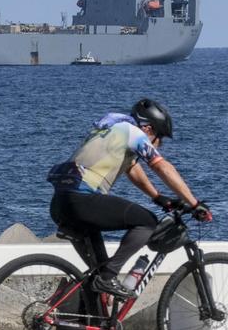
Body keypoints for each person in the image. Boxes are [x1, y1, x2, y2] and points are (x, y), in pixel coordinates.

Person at [48, 98, 212, 299]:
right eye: (159, 139)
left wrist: (158, 197)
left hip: (60, 204)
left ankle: (90, 326)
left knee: (98, 276)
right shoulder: (133, 132)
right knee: (147, 222)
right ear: (149, 129)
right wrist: (195, 204)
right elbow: (161, 166)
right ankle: (108, 278)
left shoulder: (111, 130)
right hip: (82, 201)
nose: (158, 146)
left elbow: (132, 167)